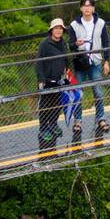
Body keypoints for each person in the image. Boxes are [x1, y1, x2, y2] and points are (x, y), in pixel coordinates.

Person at [68, 0, 110, 137]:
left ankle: (100, 118)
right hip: (81, 62)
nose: (87, 8)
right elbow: (70, 45)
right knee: (78, 94)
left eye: (89, 5)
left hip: (96, 61)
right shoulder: (74, 25)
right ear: (81, 8)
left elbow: (106, 42)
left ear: (93, 8)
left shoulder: (101, 23)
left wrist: (106, 61)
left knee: (98, 92)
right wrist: (77, 44)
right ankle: (78, 121)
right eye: (84, 6)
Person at [35, 18, 70, 150]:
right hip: (47, 80)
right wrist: (41, 80)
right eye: (56, 28)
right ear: (51, 30)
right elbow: (39, 62)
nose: (58, 30)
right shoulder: (45, 44)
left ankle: (53, 124)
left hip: (59, 79)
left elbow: (65, 58)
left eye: (60, 28)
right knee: (45, 105)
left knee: (58, 104)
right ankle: (43, 129)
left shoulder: (63, 43)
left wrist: (67, 68)